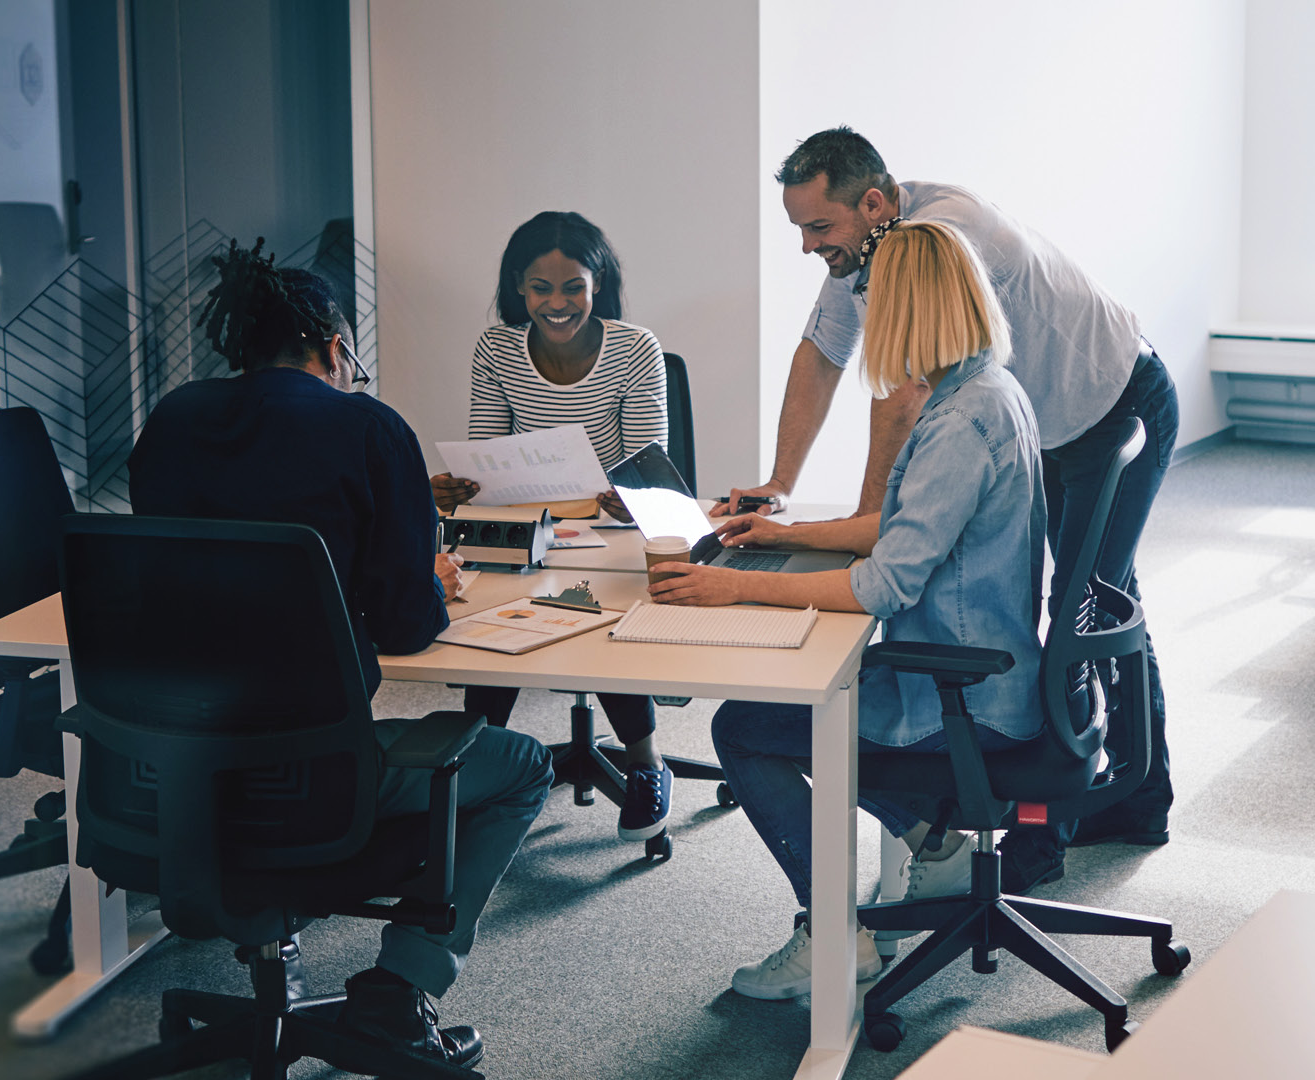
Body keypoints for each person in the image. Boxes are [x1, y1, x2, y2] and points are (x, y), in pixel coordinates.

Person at [128, 238, 553, 1070]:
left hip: (167, 774)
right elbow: (405, 631)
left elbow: (191, 570)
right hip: (315, 784)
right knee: (524, 765)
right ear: (336, 349)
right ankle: (402, 989)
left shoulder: (173, 418)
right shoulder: (368, 427)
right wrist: (423, 576)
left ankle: (261, 930)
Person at [719, 127, 1178, 893]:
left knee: (1084, 604)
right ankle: (1051, 803)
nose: (807, 247)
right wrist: (780, 485)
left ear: (872, 205)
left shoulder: (936, 248)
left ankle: (1082, 816)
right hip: (1038, 419)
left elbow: (900, 401)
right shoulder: (874, 246)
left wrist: (875, 527)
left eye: (818, 228)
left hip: (1114, 399)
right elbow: (823, 351)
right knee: (1055, 601)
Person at [655, 221, 1046, 999]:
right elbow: (904, 528)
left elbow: (881, 586)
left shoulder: (959, 423)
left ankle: (834, 935)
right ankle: (931, 838)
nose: (866, 322)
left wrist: (738, 585)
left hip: (965, 694)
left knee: (745, 728)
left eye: (874, 306)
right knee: (813, 706)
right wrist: (786, 534)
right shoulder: (979, 389)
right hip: (982, 668)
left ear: (906, 309)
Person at [427, 211, 674, 842]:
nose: (557, 304)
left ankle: (646, 764)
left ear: (599, 284)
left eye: (573, 288)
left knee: (601, 617)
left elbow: (647, 465)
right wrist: (462, 487)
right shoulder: (498, 349)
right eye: (541, 288)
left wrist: (628, 499)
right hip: (527, 527)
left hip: (614, 535)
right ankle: (480, 768)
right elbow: (488, 452)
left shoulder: (634, 348)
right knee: (488, 625)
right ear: (518, 287)